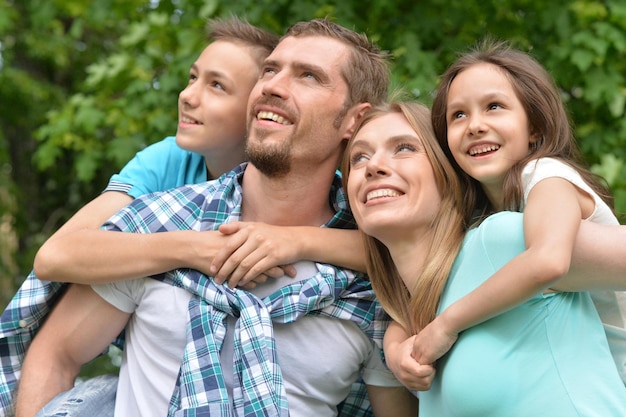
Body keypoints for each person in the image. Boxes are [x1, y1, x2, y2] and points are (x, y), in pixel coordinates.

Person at [14, 18, 416, 417]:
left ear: (353, 120)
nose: (273, 85)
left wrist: (299, 242)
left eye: (308, 76)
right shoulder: (163, 219)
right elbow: (56, 353)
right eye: (270, 70)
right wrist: (193, 246)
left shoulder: (374, 280)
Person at [343, 100, 626, 415]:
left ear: (449, 174)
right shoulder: (411, 323)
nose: (373, 166)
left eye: (405, 148)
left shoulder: (501, 240)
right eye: (359, 157)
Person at [402, 40, 626, 380]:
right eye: (458, 114)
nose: (474, 125)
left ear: (534, 128)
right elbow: (405, 249)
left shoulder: (545, 175)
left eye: (494, 106)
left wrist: (446, 325)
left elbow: (548, 260)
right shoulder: (480, 215)